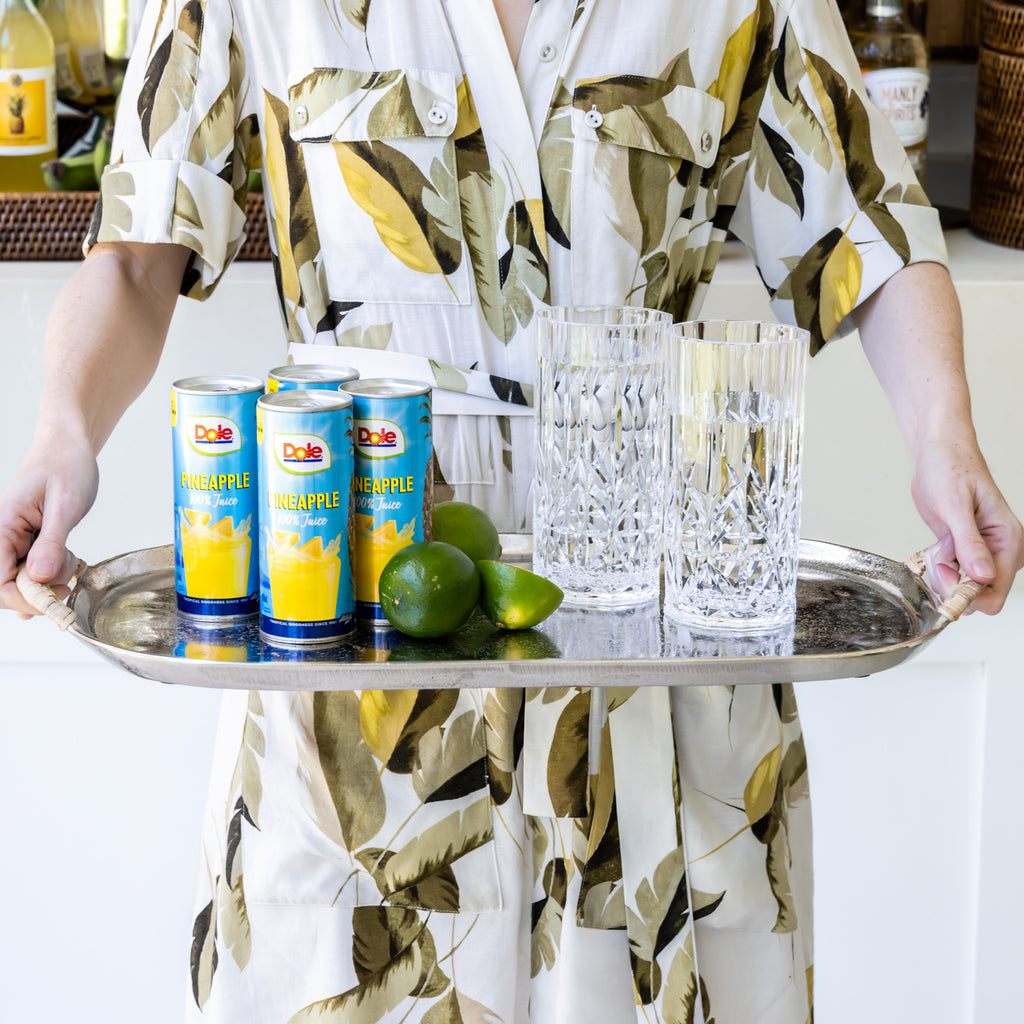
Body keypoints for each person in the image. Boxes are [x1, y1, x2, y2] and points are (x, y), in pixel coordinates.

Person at [2, 0, 1022, 1021]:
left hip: (646, 635)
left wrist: (944, 441)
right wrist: (61, 438)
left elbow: (868, 230)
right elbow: (138, 250)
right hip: (355, 644)